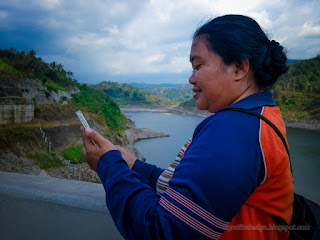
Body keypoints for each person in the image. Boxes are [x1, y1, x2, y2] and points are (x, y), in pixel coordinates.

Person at [81, 14, 293, 239]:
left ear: (239, 68)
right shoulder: (259, 117)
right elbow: (194, 189)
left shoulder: (234, 131)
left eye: (198, 65)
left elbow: (162, 231)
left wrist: (109, 166)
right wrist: (133, 166)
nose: (191, 79)